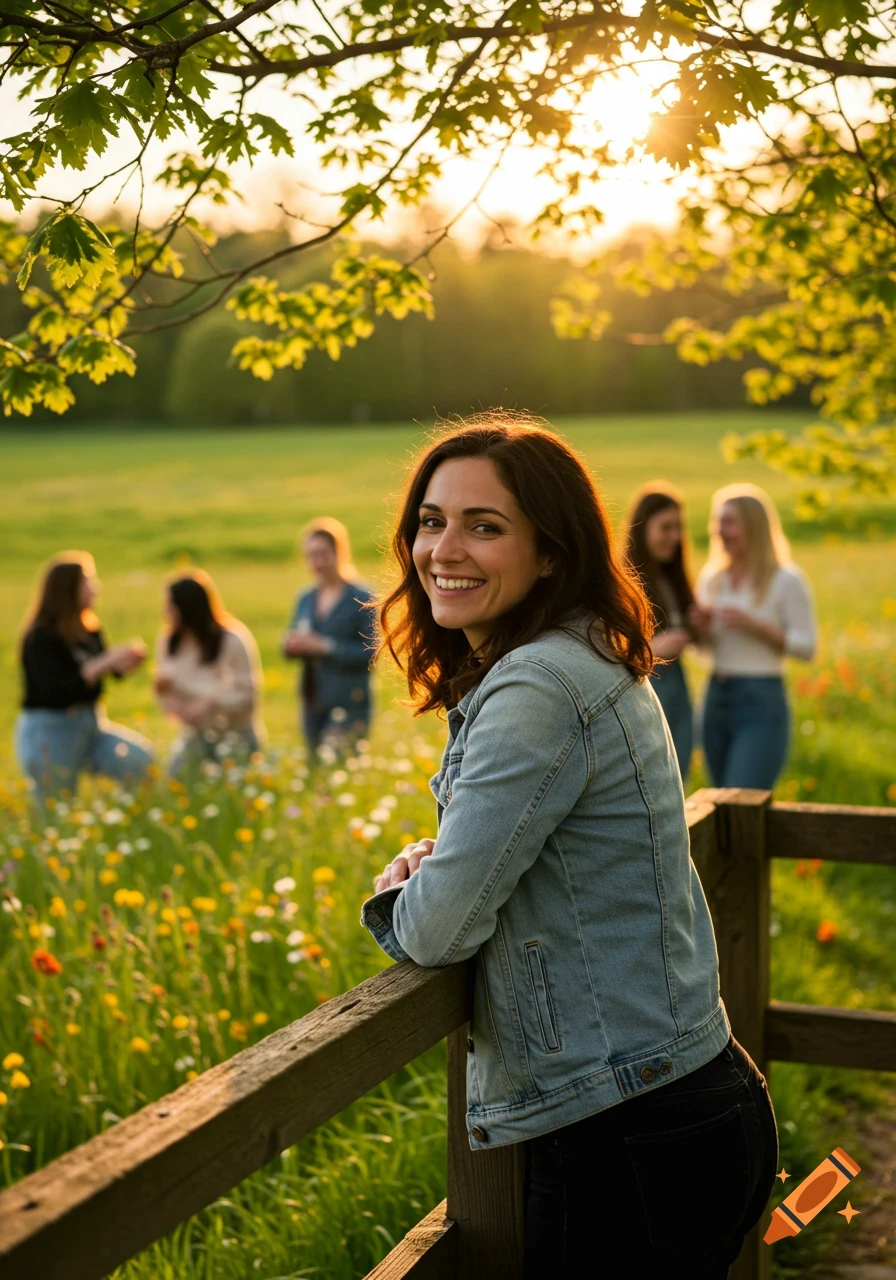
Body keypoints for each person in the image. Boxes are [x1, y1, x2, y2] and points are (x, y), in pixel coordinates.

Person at [358, 415, 778, 1278]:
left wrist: (407, 892)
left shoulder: (538, 684)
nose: (444, 549)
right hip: (674, 1102)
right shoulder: (581, 652)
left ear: (550, 553)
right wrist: (448, 862)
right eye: (432, 521)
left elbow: (436, 934)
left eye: (485, 525)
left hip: (632, 1136)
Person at [692, 483, 817, 791]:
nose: (721, 530)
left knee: (742, 798)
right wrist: (700, 629)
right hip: (716, 696)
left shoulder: (786, 580)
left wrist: (757, 627)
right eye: (719, 521)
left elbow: (808, 647)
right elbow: (705, 650)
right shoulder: (713, 577)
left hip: (760, 700)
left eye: (730, 522)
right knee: (720, 802)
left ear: (754, 526)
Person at [16, 551, 153, 801]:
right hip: (50, 733)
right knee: (56, 807)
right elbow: (57, 692)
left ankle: (134, 816)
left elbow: (104, 672)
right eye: (88, 582)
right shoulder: (41, 637)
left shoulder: (88, 628)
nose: (95, 588)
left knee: (140, 763)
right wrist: (105, 661)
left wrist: (123, 664)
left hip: (90, 726)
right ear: (67, 590)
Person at [153, 570, 264, 776]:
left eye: (171, 606)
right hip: (196, 735)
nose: (165, 613)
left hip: (236, 735)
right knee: (174, 782)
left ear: (188, 609)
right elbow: (164, 690)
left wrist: (209, 703)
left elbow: (247, 693)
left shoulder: (232, 640)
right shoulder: (169, 642)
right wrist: (172, 705)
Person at [281, 517, 377, 756]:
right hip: (312, 701)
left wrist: (324, 646)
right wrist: (291, 645)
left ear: (339, 552)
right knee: (316, 771)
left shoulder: (362, 598)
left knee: (336, 766)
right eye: (311, 555)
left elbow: (371, 654)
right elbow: (292, 639)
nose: (317, 562)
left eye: (322, 554)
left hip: (350, 703)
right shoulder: (306, 598)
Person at [624, 482, 697, 781]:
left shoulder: (670, 577)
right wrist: (654, 649)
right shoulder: (624, 582)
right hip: (644, 690)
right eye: (665, 528)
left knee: (679, 776)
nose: (675, 537)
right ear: (643, 527)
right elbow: (606, 653)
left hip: (677, 683)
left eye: (678, 528)